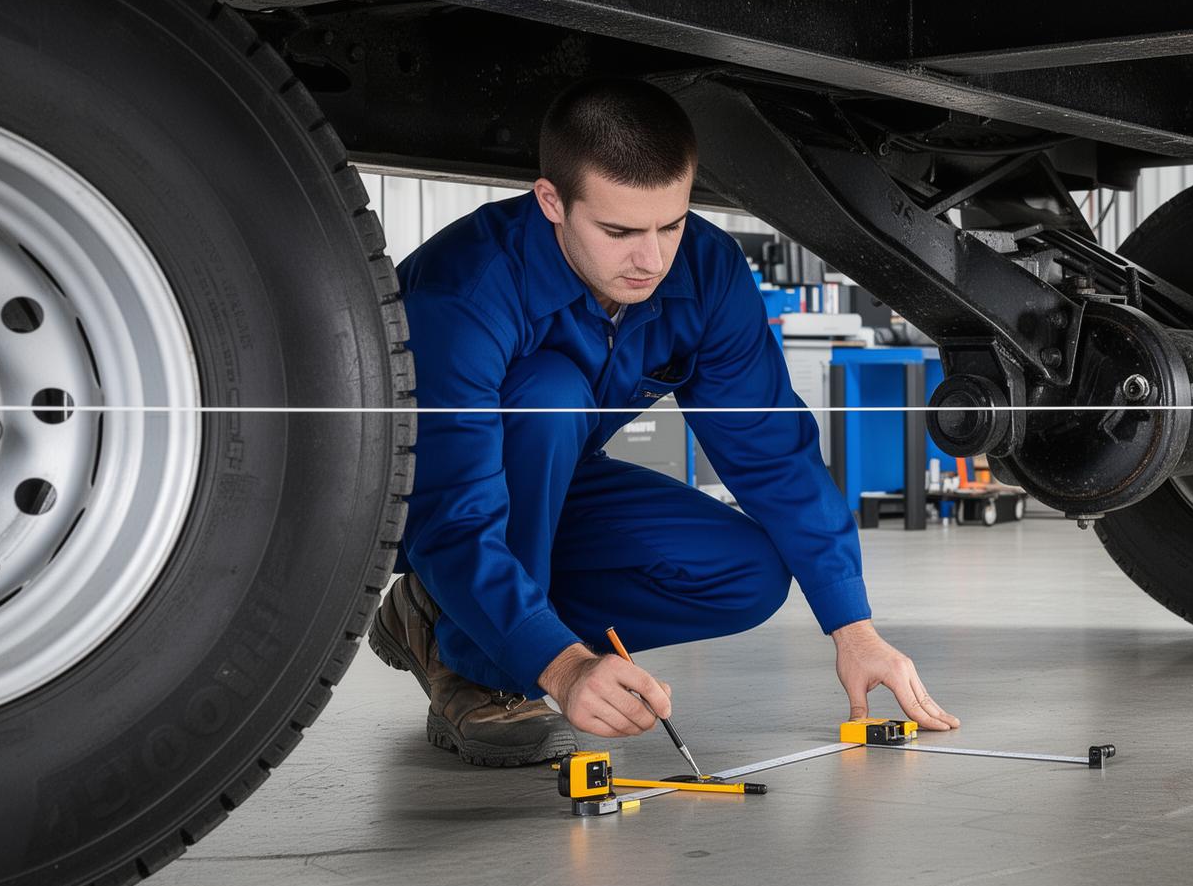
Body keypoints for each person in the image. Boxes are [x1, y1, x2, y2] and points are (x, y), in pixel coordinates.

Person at [370, 78, 957, 767]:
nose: (651, 260)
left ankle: (449, 612)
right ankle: (474, 664)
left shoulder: (704, 271)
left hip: (544, 485)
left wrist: (852, 628)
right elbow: (453, 509)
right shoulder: (467, 292)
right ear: (551, 202)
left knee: (747, 574)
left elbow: (772, 452)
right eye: (619, 231)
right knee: (549, 394)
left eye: (669, 225)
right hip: (416, 500)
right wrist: (561, 669)